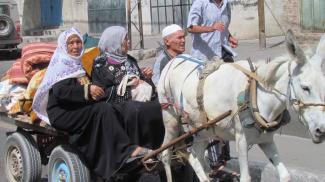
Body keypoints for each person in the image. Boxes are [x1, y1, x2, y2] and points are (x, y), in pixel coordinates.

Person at [32, 27, 150, 181]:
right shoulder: (60, 64)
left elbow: (90, 86)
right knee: (102, 110)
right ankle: (125, 151)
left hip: (78, 108)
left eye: (78, 42)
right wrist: (87, 90)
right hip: (62, 112)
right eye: (71, 43)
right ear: (64, 46)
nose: (75, 46)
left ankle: (113, 158)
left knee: (111, 109)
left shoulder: (77, 64)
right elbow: (61, 92)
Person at [91, 26, 164, 150]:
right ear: (114, 42)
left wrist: (146, 77)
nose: (129, 41)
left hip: (140, 99)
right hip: (117, 105)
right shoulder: (100, 65)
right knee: (136, 109)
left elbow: (144, 85)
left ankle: (161, 145)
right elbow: (101, 93)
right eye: (125, 39)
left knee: (162, 105)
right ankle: (138, 147)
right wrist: (127, 88)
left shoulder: (130, 60)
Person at [187, 0, 235, 172]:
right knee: (211, 109)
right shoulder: (200, 4)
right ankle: (215, 160)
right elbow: (191, 27)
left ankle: (222, 157)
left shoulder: (226, 4)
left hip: (223, 57)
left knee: (227, 106)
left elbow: (224, 27)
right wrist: (211, 28)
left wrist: (229, 37)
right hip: (204, 60)